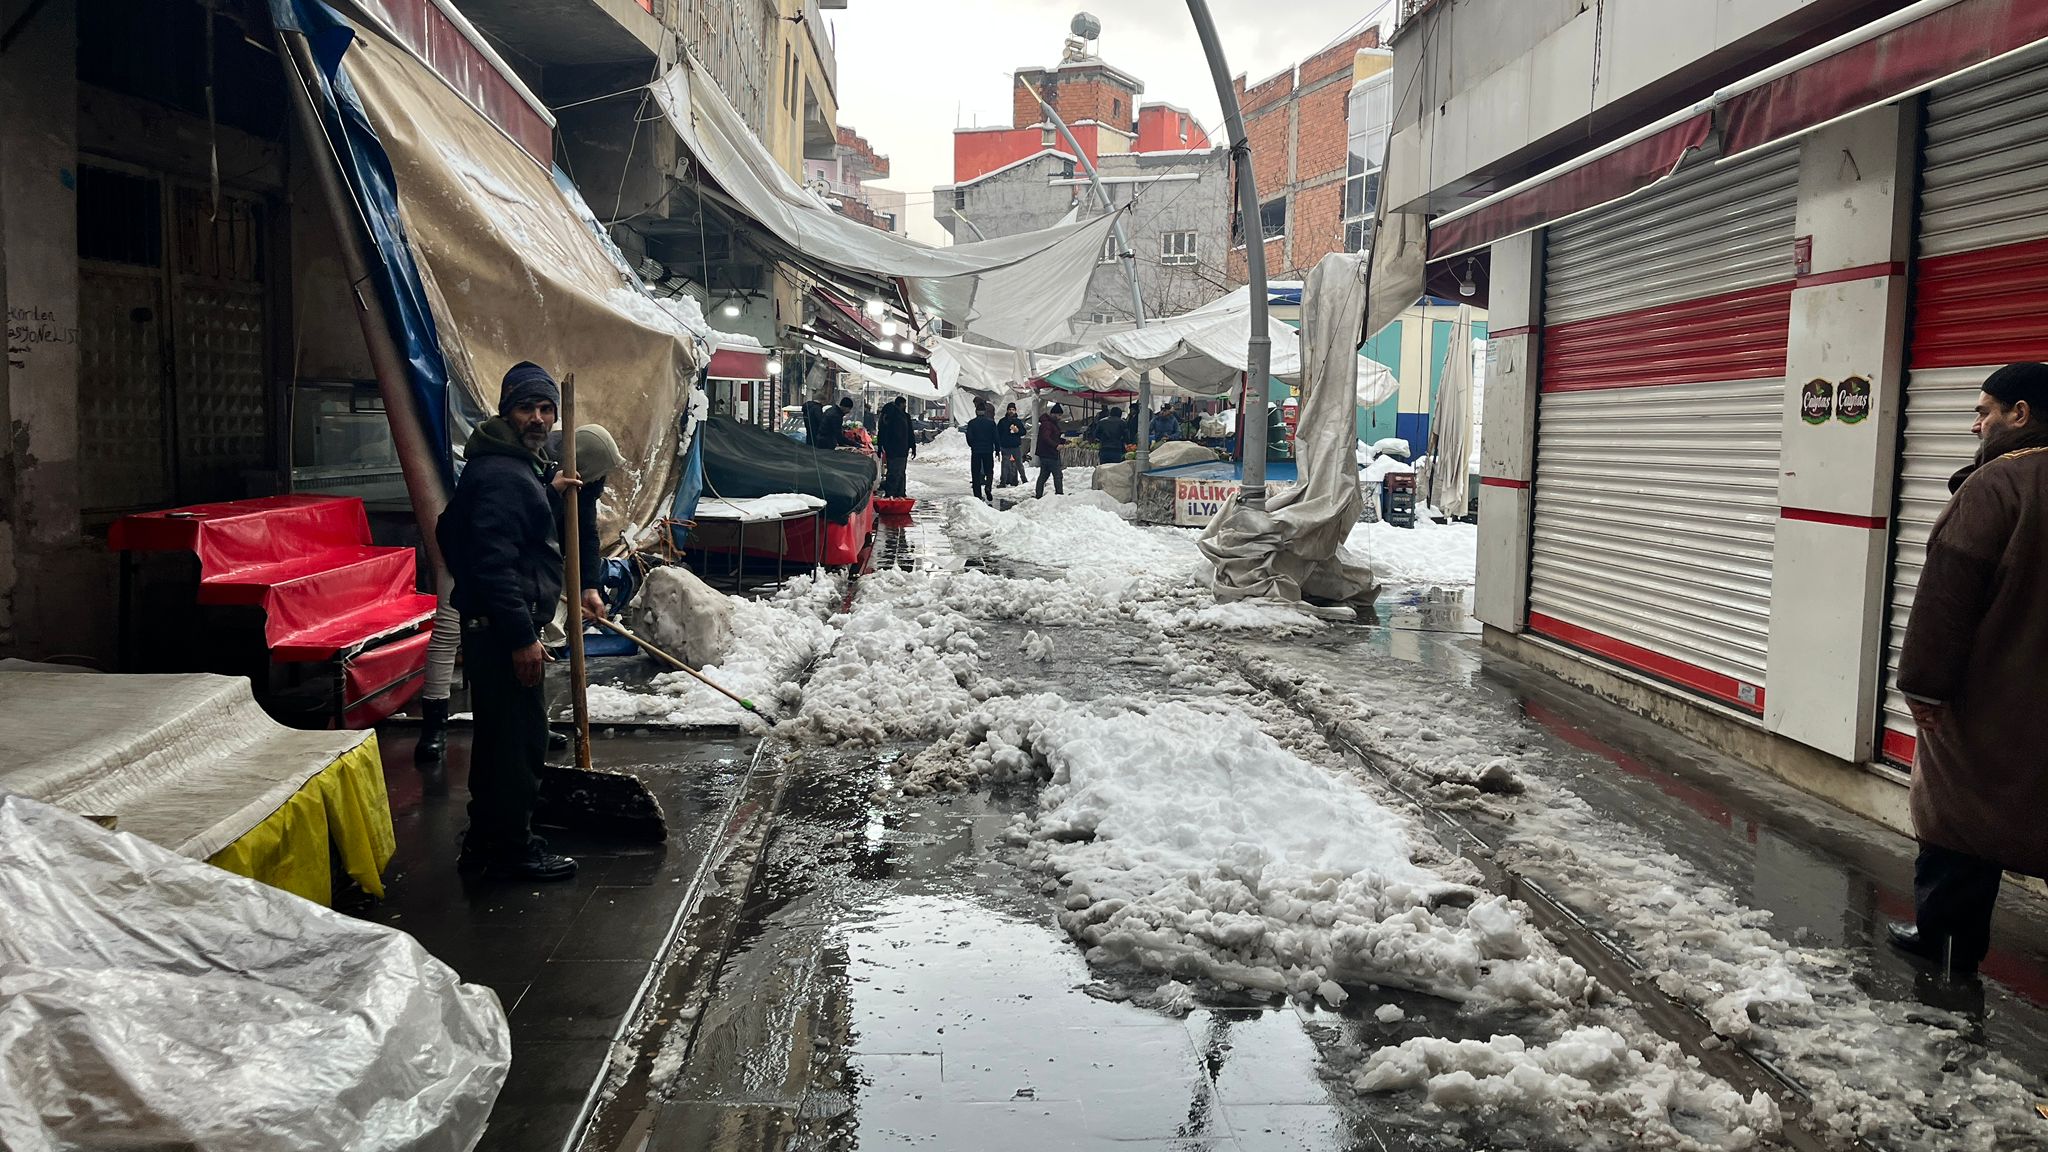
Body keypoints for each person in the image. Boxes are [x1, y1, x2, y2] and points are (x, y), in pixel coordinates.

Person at [1889, 362, 2048, 979]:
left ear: (2021, 414)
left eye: (1983, 411)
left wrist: (1924, 687)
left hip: (1991, 695)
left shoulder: (1996, 487)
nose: (1974, 424)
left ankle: (1948, 949)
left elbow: (1946, 598)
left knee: (1959, 818)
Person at [436, 362, 584, 882]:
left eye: (547, 409)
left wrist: (546, 488)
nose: (539, 418)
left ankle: (486, 840)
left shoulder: (511, 464)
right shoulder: (502, 474)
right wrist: (522, 638)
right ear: (506, 411)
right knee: (517, 745)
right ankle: (510, 849)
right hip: (501, 632)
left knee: (501, 739)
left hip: (495, 627)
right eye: (527, 408)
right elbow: (493, 564)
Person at [413, 423, 622, 783]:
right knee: (450, 630)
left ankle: (532, 725)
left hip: (525, 563)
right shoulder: (530, 461)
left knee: (532, 636)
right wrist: (550, 494)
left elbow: (584, 530)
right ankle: (434, 726)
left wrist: (589, 584)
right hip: (471, 555)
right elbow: (501, 526)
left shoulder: (586, 477)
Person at [964, 399, 999, 503]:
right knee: (989, 471)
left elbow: (969, 437)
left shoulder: (972, 423)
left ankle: (977, 495)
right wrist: (997, 449)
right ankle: (988, 487)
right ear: (985, 412)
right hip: (988, 450)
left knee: (975, 472)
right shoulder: (991, 423)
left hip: (976, 451)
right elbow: (996, 437)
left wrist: (973, 445)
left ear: (976, 412)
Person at [877, 396, 913, 498]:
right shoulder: (902, 417)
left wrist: (880, 447)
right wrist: (912, 446)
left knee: (893, 472)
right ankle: (898, 494)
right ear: (900, 404)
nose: (905, 406)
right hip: (901, 450)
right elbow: (909, 433)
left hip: (892, 450)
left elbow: (881, 432)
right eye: (904, 404)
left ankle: (892, 493)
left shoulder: (890, 417)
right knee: (899, 472)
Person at [1035, 402, 1067, 497]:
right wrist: (1056, 445)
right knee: (1057, 475)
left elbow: (1053, 437)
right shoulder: (1047, 425)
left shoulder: (1050, 424)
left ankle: (1039, 495)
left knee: (1044, 475)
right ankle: (1059, 495)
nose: (1060, 417)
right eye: (1059, 415)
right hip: (1049, 454)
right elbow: (1046, 437)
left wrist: (1063, 441)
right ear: (1053, 414)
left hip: (1046, 453)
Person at [996, 402, 1028, 487]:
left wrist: (1017, 431)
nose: (1011, 411)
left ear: (1015, 411)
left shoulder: (1018, 421)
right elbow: (998, 433)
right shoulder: (1002, 421)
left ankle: (1024, 480)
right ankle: (1003, 482)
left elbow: (1024, 432)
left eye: (1013, 410)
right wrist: (999, 444)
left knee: (1019, 464)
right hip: (1005, 446)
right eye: (1009, 409)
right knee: (1005, 465)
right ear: (1007, 410)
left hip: (1016, 446)